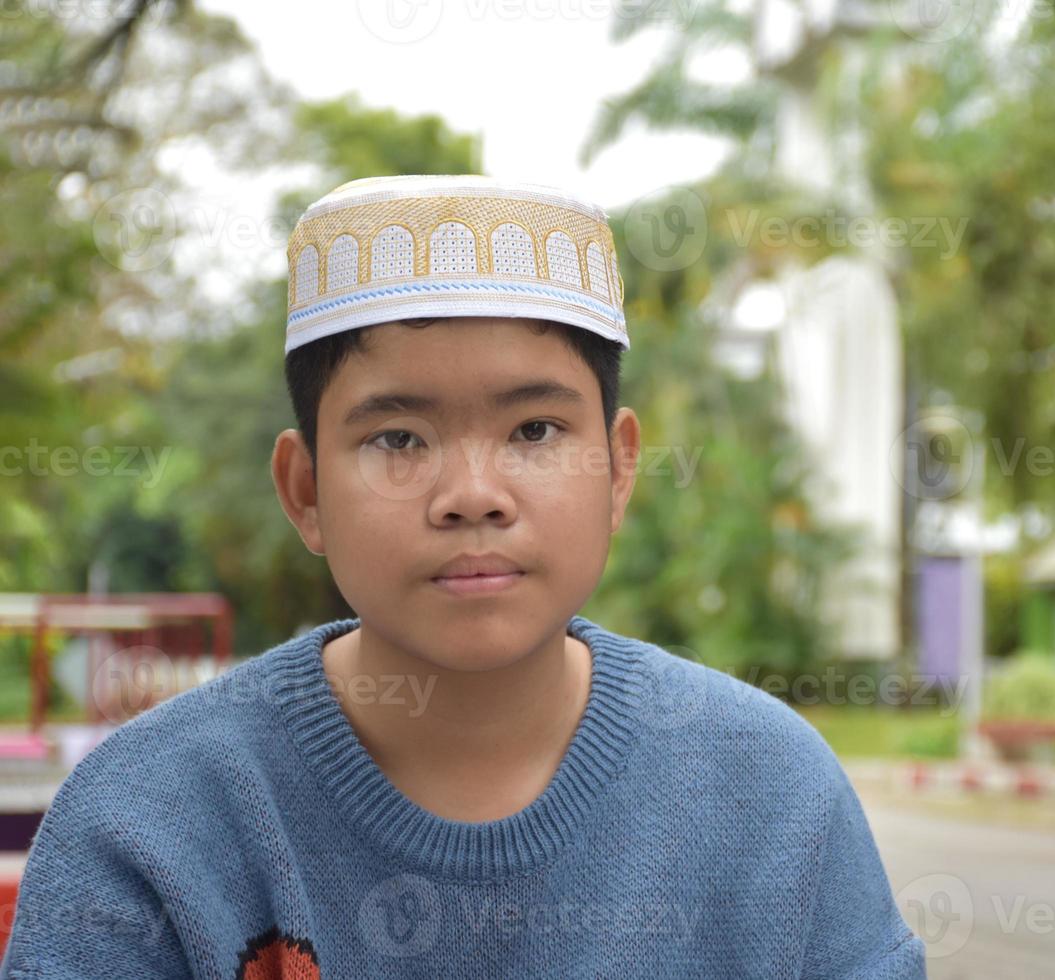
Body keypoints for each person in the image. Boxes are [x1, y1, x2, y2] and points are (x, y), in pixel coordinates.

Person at [1, 175, 926, 978]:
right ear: (305, 488)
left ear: (618, 468)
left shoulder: (771, 795)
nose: (472, 496)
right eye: (397, 438)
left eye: (535, 431)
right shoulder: (150, 823)